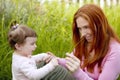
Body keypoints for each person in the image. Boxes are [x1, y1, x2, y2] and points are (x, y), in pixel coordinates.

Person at [58, 4, 120, 80]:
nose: (83, 34)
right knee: (50, 69)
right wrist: (55, 60)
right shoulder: (85, 42)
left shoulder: (115, 51)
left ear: (99, 23)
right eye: (80, 29)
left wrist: (78, 72)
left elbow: (76, 70)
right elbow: (72, 62)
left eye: (86, 27)